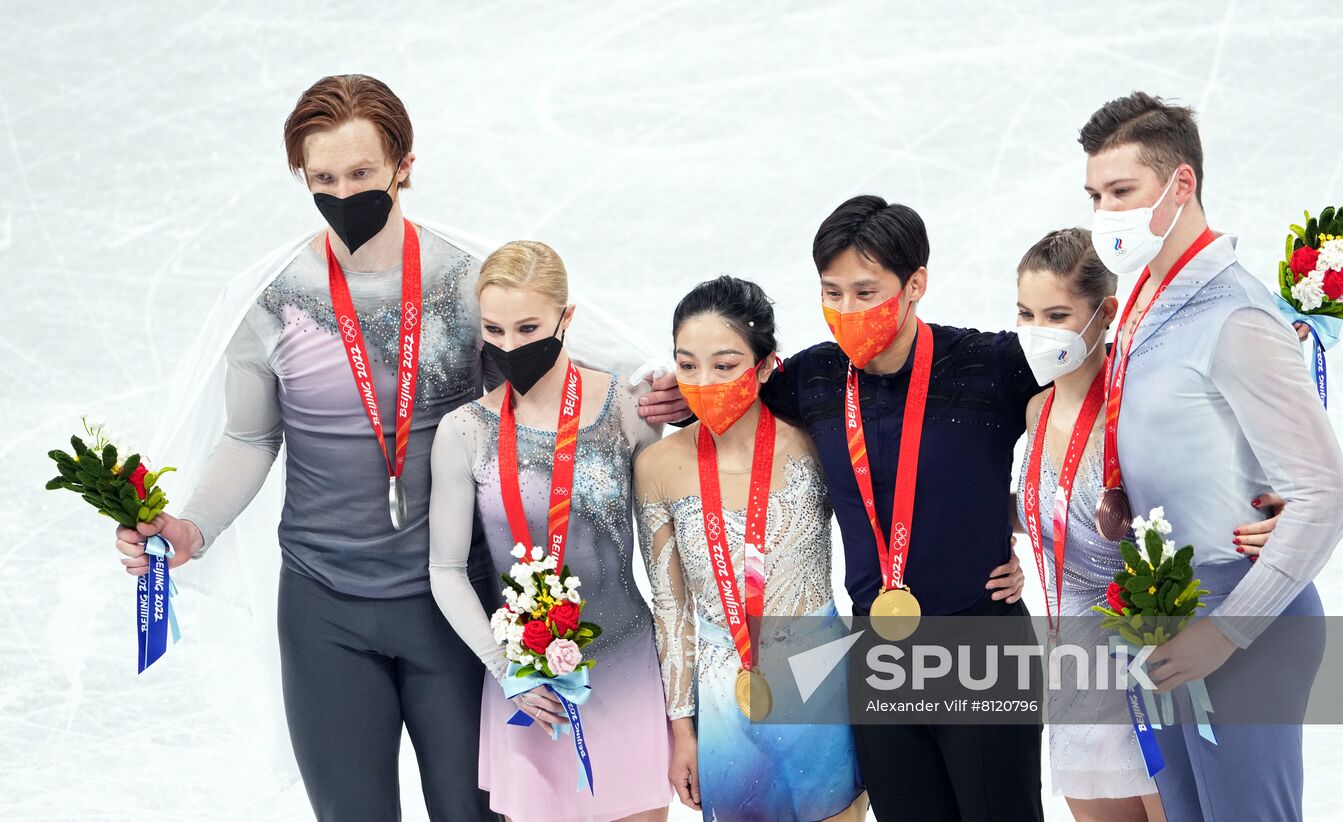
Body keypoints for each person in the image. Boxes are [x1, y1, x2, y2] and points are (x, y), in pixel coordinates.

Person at [112, 75, 687, 821]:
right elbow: (251, 435)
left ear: (403, 166)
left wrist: (655, 398)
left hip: (452, 609)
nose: (343, 193)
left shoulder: (464, 286)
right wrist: (192, 527)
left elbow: (552, 383)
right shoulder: (275, 298)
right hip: (324, 612)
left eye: (360, 174)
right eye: (322, 179)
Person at [1077, 91, 1343, 822]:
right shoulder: (1147, 300)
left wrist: (1225, 632)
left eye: (1122, 192)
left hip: (1245, 621)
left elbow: (1327, 497)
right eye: (1095, 195)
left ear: (1181, 185)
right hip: (1167, 611)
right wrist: (1127, 497)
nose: (1105, 213)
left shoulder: (1235, 316)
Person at [759, 195, 1042, 821]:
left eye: (865, 292)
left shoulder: (989, 365)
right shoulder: (813, 378)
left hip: (980, 645)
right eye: (831, 293)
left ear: (915, 284)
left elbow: (1088, 421)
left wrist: (1015, 522)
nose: (846, 311)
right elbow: (725, 415)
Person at [1012, 227, 1288, 822]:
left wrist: (1282, 502)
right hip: (1073, 662)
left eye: (1058, 314)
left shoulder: (1136, 406)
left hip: (1146, 657)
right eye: (1026, 313)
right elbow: (1051, 506)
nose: (1038, 331)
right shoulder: (1035, 410)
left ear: (1104, 313)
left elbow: (1230, 459)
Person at [429, 240, 673, 822]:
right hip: (528, 687)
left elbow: (668, 563)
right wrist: (503, 667)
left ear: (567, 318)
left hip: (627, 670)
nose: (510, 346)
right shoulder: (463, 432)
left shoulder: (628, 411)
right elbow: (445, 570)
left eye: (528, 326)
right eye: (495, 329)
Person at [635, 276, 867, 822]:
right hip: (721, 695)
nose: (704, 381)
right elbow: (673, 611)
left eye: (724, 364)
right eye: (687, 365)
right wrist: (681, 729)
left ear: (764, 367)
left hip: (820, 675)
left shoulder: (813, 443)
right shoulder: (657, 467)